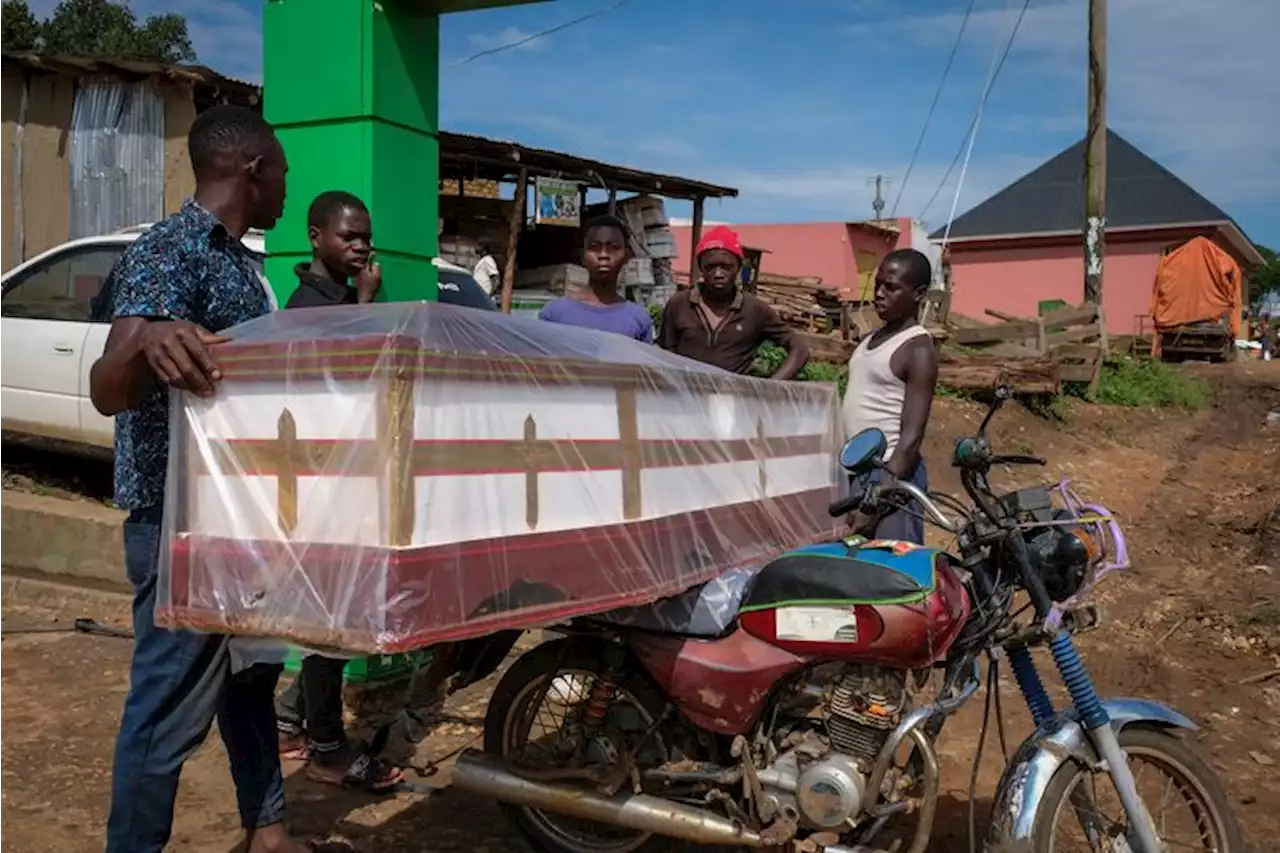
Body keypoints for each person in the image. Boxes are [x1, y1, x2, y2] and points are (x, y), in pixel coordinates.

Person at [88, 104, 310, 853]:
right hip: (181, 526)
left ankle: (267, 827)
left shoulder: (244, 266)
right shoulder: (170, 249)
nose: (287, 184)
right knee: (164, 711)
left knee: (249, 682)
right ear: (253, 169)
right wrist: (148, 338)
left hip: (237, 520)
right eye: (281, 169)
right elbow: (107, 388)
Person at [270, 189, 404, 791]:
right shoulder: (308, 306)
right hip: (320, 479)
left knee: (333, 614)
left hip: (342, 476)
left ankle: (292, 720)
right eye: (348, 236)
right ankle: (327, 746)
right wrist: (369, 304)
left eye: (364, 236)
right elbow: (343, 380)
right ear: (315, 236)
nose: (360, 245)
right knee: (331, 622)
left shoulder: (341, 299)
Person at [842, 248, 939, 545]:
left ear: (919, 293)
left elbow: (910, 440)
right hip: (858, 474)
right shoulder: (871, 340)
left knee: (893, 573)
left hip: (890, 477)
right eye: (878, 285)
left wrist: (877, 499)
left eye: (892, 287)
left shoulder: (918, 349)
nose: (879, 294)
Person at [658, 225, 809, 378]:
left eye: (726, 267)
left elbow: (799, 348)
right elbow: (664, 353)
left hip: (734, 397)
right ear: (701, 268)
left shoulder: (755, 310)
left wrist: (773, 384)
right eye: (710, 267)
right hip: (685, 395)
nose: (718, 274)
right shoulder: (680, 304)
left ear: (738, 268)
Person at [537, 214, 653, 342]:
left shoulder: (639, 319)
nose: (603, 255)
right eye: (594, 247)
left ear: (627, 256)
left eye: (613, 247)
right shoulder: (555, 314)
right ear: (582, 256)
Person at [284, 191, 381, 307]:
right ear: (315, 238)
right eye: (348, 237)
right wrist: (365, 301)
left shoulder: (351, 295)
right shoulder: (305, 306)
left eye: (366, 239)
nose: (362, 247)